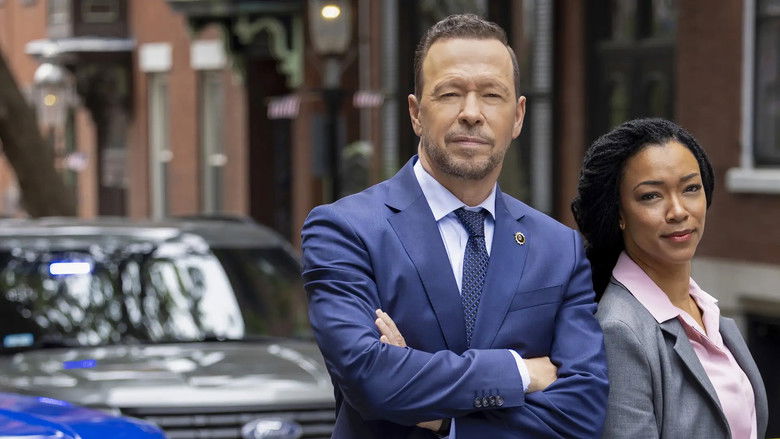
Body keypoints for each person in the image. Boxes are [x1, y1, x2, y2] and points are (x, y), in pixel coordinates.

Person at [302, 14, 607, 439]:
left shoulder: (560, 249)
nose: (471, 113)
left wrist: (443, 418)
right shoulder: (345, 231)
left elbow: (582, 413)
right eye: (449, 93)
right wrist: (520, 372)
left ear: (518, 116)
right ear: (415, 113)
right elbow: (370, 378)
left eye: (491, 95)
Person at [571, 118, 768, 438]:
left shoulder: (705, 308)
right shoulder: (620, 329)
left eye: (691, 188)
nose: (678, 211)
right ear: (619, 213)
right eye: (651, 196)